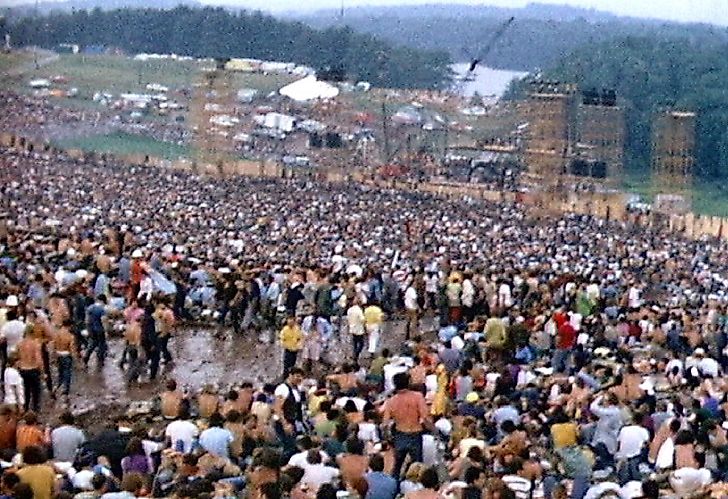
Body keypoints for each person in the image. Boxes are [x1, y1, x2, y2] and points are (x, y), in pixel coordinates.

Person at [382, 372, 431, 479]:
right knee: (418, 467)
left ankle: (394, 488)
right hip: (415, 434)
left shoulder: (391, 401)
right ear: (408, 382)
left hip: (400, 434)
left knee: (397, 467)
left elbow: (385, 424)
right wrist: (433, 429)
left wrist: (388, 439)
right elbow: (425, 417)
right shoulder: (417, 397)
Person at [16, 331, 43, 413]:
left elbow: (17, 358)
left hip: (23, 369)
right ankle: (35, 409)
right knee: (36, 391)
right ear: (32, 333)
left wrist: (18, 368)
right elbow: (38, 359)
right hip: (33, 369)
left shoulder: (19, 344)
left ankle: (26, 408)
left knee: (25, 390)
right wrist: (42, 371)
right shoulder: (35, 344)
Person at [53, 319, 76, 399]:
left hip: (58, 354)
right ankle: (65, 391)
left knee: (60, 373)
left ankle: (56, 388)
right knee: (67, 374)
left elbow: (54, 345)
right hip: (66, 356)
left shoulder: (57, 333)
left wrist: (54, 356)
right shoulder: (70, 336)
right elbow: (72, 348)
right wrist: (75, 359)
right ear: (69, 326)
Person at [84, 295, 108, 367]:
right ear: (103, 301)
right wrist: (106, 331)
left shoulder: (90, 308)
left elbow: (86, 320)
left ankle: (86, 357)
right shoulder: (102, 309)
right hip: (99, 329)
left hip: (91, 329)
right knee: (101, 345)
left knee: (92, 343)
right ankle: (100, 360)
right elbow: (103, 320)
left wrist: (88, 329)